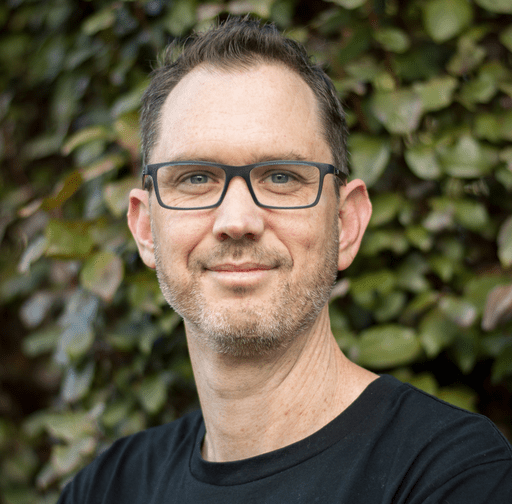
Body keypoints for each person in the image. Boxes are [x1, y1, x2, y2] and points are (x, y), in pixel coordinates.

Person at [58, 16, 512, 503]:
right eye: (195, 178)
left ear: (346, 223)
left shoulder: (451, 476)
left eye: (281, 177)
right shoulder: (105, 489)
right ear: (146, 229)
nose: (237, 220)